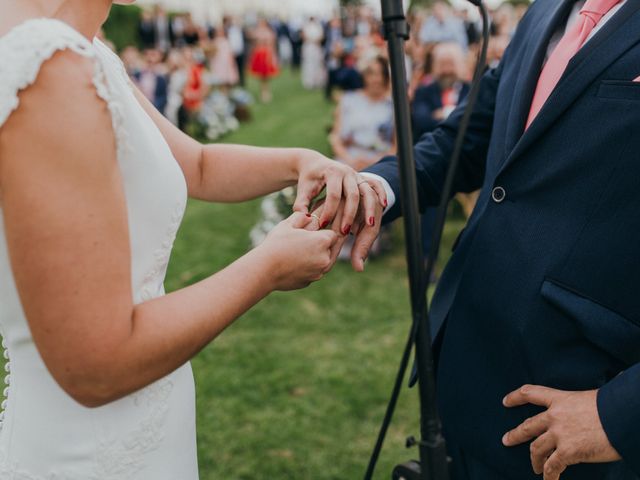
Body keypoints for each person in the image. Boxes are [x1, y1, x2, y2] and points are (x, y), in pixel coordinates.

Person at [0, 1, 386, 478]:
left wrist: (301, 161)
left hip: (153, 426)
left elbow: (197, 163)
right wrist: (266, 267)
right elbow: (96, 363)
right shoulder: (46, 67)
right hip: (82, 452)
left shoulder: (88, 48)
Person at [357, 0, 640, 478]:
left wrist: (620, 415)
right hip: (465, 371)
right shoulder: (544, 10)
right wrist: (377, 189)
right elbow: (468, 137)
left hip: (581, 403)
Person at [249, 18, 279, 103]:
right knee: (261, 76)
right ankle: (263, 92)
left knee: (266, 76)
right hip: (260, 54)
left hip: (266, 54)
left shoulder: (269, 32)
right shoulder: (257, 31)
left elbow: (271, 44)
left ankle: (266, 93)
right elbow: (254, 42)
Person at [301, 16, 326, 90]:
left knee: (318, 64)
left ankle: (318, 81)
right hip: (309, 47)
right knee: (309, 64)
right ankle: (309, 82)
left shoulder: (318, 26)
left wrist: (317, 41)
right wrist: (312, 40)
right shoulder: (306, 26)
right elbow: (303, 36)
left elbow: (322, 36)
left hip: (317, 47)